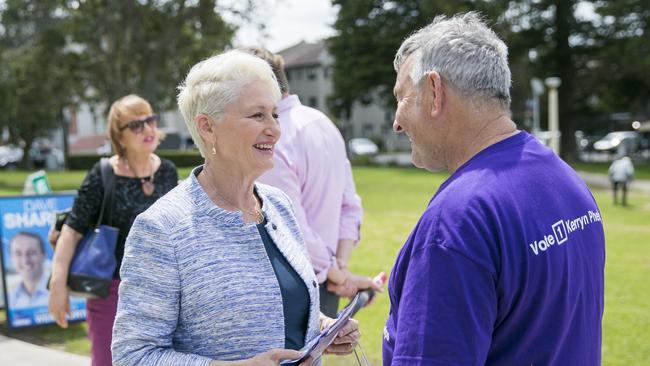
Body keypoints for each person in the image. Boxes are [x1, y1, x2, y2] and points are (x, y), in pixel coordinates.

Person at [383, 12, 605, 365]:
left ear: (435, 92)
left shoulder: (458, 219)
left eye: (402, 98)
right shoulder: (566, 180)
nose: (396, 121)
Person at [111, 50, 360, 366]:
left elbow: (283, 308)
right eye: (257, 116)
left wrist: (323, 327)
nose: (275, 129)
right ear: (207, 127)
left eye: (275, 114)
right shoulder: (162, 228)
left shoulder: (278, 206)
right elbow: (133, 356)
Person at [241, 47, 382, 317]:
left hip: (292, 283)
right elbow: (350, 206)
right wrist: (338, 264)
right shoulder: (323, 122)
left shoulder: (272, 138)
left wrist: (333, 268)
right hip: (325, 276)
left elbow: (288, 224)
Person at [48, 94, 179, 366]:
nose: (148, 129)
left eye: (150, 120)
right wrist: (57, 284)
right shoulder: (103, 173)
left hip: (163, 293)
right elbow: (72, 230)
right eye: (136, 125)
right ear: (119, 137)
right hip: (111, 292)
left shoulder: (167, 172)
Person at [8, 232, 49, 308]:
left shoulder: (63, 293)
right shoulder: (10, 300)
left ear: (44, 256)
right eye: (18, 254)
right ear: (11, 259)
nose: (25, 260)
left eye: (31, 253)